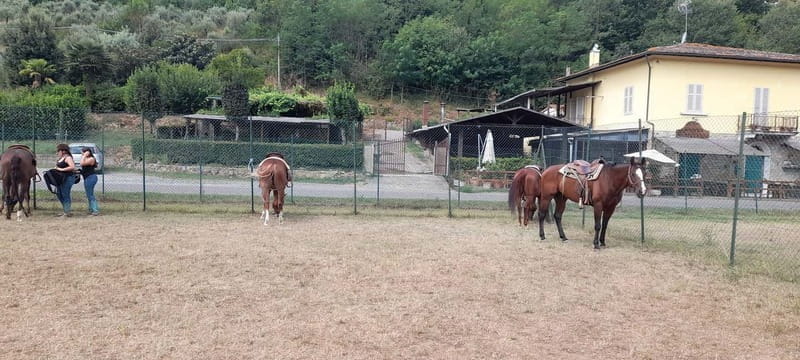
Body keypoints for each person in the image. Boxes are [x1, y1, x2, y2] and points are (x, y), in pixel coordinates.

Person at [54, 143, 76, 217]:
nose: (57, 152)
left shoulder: (68, 158)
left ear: (63, 151)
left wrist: (61, 169)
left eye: (58, 150)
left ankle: (67, 212)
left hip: (68, 178)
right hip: (61, 179)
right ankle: (65, 210)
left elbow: (72, 167)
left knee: (65, 194)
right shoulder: (61, 158)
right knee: (59, 194)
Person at [80, 147, 100, 216]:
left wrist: (84, 156)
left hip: (91, 178)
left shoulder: (91, 159)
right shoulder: (86, 158)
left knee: (90, 195)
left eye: (83, 152)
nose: (82, 154)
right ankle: (91, 209)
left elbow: (82, 163)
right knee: (88, 194)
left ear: (87, 152)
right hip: (87, 178)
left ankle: (95, 210)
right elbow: (85, 169)